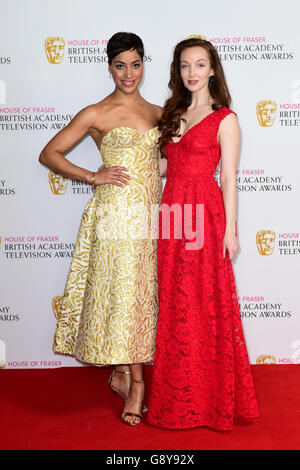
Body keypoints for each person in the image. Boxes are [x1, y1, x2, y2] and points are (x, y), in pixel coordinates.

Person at [39, 32, 163, 426]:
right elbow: (49, 153)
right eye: (120, 65)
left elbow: (164, 164)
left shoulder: (160, 112)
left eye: (135, 64)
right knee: (124, 296)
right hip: (114, 219)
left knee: (142, 297)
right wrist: (93, 175)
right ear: (109, 67)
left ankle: (123, 373)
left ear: (145, 64)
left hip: (153, 218)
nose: (129, 73)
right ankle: (137, 384)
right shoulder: (96, 112)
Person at [147, 37, 259, 431]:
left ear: (212, 70)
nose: (191, 73)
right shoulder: (172, 113)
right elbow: (161, 169)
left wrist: (231, 229)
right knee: (175, 303)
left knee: (203, 304)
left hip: (203, 217)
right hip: (171, 214)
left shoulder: (225, 118)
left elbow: (228, 178)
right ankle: (176, 393)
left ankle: (208, 398)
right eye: (184, 65)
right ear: (177, 71)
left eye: (199, 65)